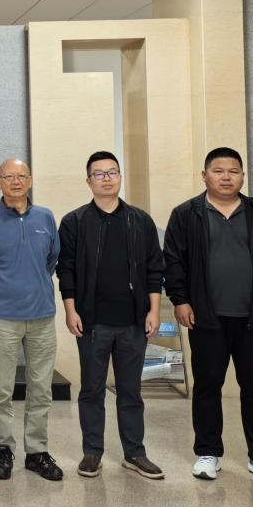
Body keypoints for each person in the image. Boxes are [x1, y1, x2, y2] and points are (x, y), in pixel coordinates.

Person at [163, 147, 253, 485]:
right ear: (204, 175)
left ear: (242, 176)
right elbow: (174, 261)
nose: (226, 177)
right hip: (206, 318)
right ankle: (208, 453)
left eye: (233, 171)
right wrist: (180, 300)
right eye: (218, 171)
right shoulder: (186, 214)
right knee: (208, 387)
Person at [57, 152, 164, 481]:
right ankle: (92, 452)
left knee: (131, 391)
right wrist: (71, 310)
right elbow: (66, 270)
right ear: (88, 181)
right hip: (92, 322)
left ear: (120, 177)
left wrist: (153, 311)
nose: (106, 178)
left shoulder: (140, 220)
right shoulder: (75, 222)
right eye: (99, 174)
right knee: (92, 389)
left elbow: (154, 269)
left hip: (133, 321)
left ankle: (135, 453)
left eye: (112, 172)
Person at [0, 158, 62, 481]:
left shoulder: (45, 217)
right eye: (8, 177)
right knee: (2, 390)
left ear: (30, 180)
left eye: (21, 176)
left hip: (42, 318)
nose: (15, 181)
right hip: (2, 319)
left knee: (41, 389)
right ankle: (3, 449)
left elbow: (51, 259)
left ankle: (37, 451)